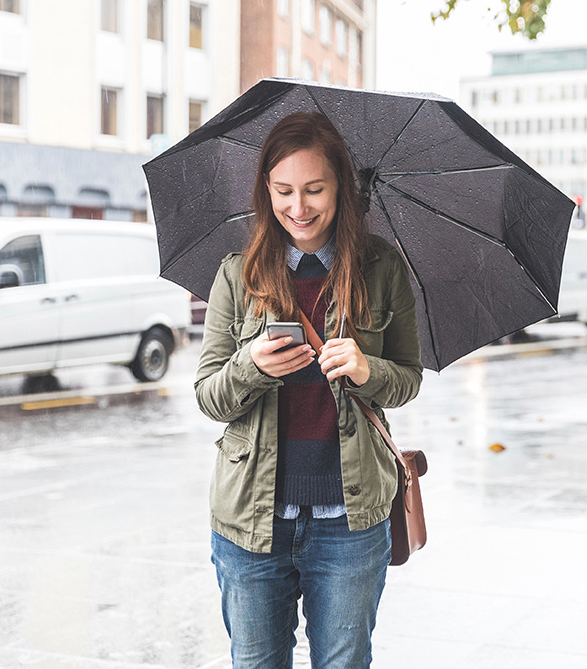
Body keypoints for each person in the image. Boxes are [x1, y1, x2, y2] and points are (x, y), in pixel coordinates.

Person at [195, 112, 423, 668]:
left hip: (350, 521)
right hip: (251, 517)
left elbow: (407, 379)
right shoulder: (236, 274)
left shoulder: (382, 269)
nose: (298, 208)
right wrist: (251, 364)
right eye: (283, 191)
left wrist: (369, 369)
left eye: (315, 190)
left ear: (342, 187)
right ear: (265, 191)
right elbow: (208, 395)